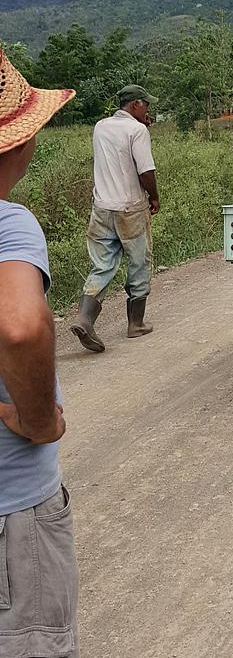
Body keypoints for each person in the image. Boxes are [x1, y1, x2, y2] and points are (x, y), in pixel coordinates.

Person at [0, 48, 80, 656]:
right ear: (20, 143)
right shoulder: (11, 224)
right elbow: (23, 327)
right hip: (12, 505)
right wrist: (37, 419)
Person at [69, 84, 160, 353]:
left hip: (102, 207)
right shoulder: (137, 130)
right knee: (139, 263)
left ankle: (85, 318)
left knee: (103, 265)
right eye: (146, 104)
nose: (148, 109)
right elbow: (145, 171)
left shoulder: (101, 126)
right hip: (130, 208)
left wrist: (141, 126)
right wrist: (154, 197)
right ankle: (136, 323)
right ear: (135, 105)